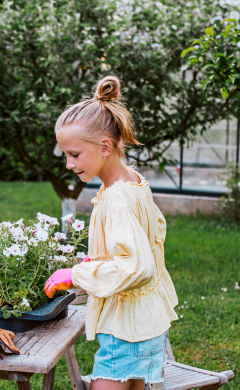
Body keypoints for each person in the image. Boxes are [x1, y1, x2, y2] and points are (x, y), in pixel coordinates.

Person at [44, 75, 179, 390]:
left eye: (74, 154)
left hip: (127, 329)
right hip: (147, 321)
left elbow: (137, 266)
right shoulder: (133, 180)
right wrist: (103, 259)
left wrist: (76, 274)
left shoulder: (116, 199)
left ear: (105, 147)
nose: (67, 163)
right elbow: (155, 229)